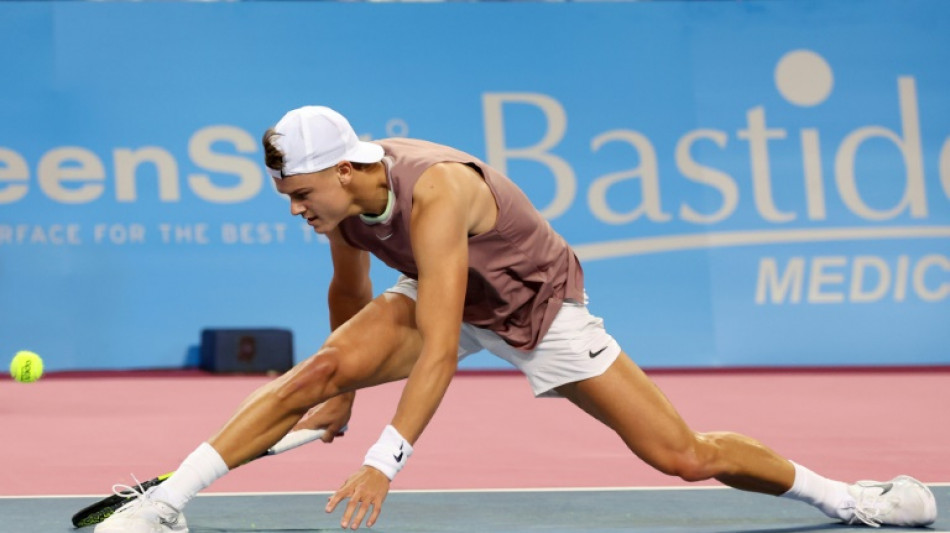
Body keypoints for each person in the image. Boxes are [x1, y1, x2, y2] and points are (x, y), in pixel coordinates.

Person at [95, 106, 937, 533]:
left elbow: (443, 349)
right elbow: (346, 299)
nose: (295, 210)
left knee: (681, 454)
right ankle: (169, 500)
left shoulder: (435, 190)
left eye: (300, 196)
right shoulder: (341, 208)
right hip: (440, 297)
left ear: (346, 170)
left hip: (534, 308)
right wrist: (342, 392)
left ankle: (851, 499)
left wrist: (385, 459)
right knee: (314, 370)